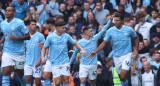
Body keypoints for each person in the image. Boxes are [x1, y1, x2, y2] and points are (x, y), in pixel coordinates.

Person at [89, 13, 139, 84]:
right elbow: (104, 43)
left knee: (123, 75)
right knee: (121, 78)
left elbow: (136, 37)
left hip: (127, 55)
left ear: (122, 21)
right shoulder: (110, 31)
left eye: (117, 20)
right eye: (114, 20)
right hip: (116, 56)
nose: (115, 22)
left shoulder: (128, 29)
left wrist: (136, 50)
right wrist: (95, 51)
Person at [41, 21, 86, 86]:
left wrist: (82, 49)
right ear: (57, 28)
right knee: (57, 82)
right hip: (55, 62)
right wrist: (42, 57)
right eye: (63, 28)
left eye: (65, 28)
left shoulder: (66, 36)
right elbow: (44, 48)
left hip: (65, 61)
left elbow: (75, 43)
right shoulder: (50, 37)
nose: (65, 29)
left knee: (66, 79)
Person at [70, 17, 112, 86]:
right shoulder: (80, 42)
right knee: (82, 81)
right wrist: (70, 63)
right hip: (83, 65)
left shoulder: (94, 38)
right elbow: (75, 54)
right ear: (86, 32)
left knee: (92, 82)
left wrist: (110, 21)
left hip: (93, 65)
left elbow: (103, 30)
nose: (92, 32)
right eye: (91, 31)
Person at [0, 6, 30, 86]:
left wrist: (16, 38)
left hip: (19, 52)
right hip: (7, 51)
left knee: (20, 74)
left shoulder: (19, 22)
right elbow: (5, 36)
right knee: (6, 71)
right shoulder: (2, 23)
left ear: (14, 13)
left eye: (9, 11)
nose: (7, 12)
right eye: (6, 10)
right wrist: (1, 42)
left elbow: (28, 36)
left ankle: (24, 84)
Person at [24, 20, 45, 86]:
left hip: (37, 62)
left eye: (35, 24)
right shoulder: (25, 36)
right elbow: (24, 49)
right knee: (28, 80)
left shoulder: (40, 36)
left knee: (38, 82)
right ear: (28, 26)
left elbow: (44, 49)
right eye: (32, 24)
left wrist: (39, 60)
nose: (34, 26)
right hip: (27, 62)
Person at [43, 18, 56, 86]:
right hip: (49, 58)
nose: (46, 27)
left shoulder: (58, 33)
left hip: (57, 59)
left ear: (50, 25)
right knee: (45, 76)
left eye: (46, 25)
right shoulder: (50, 33)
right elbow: (47, 46)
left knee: (58, 79)